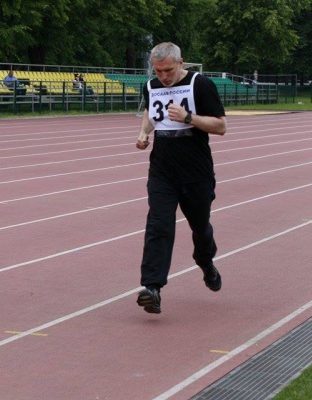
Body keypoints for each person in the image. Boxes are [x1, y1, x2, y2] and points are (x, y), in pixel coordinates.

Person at [134, 42, 227, 314]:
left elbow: (220, 126)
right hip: (162, 171)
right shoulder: (151, 86)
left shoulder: (201, 84)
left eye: (168, 70)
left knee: (201, 228)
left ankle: (205, 261)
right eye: (158, 70)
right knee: (158, 226)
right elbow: (150, 114)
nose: (163, 76)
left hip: (196, 173)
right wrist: (144, 132)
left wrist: (189, 117)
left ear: (181, 63)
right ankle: (152, 288)